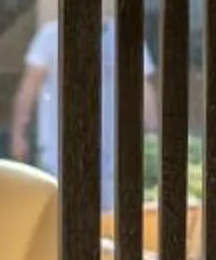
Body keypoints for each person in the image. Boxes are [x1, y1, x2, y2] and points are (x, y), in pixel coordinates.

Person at [10, 14, 160, 189]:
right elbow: (29, 88)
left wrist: (152, 134)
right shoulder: (50, 36)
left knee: (108, 212)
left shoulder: (125, 37)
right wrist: (18, 134)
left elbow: (142, 88)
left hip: (112, 151)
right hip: (58, 149)